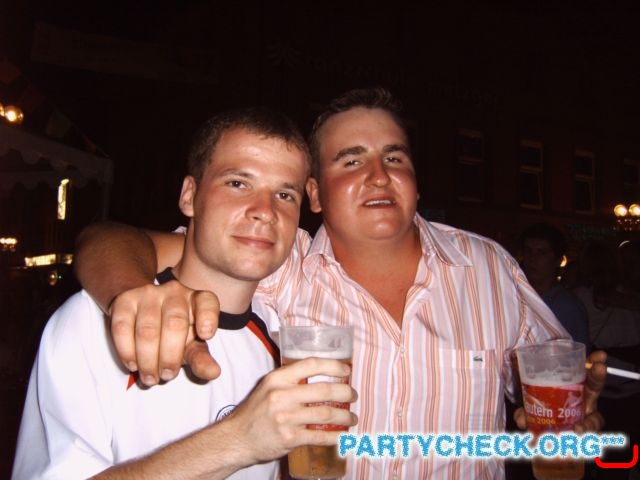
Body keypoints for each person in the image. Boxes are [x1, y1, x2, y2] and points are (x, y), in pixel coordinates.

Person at [74, 87, 606, 479]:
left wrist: (580, 415)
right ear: (314, 194)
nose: (379, 175)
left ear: (415, 181)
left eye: (394, 157)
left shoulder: (489, 267)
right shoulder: (282, 264)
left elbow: (556, 384)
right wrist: (131, 296)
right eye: (352, 160)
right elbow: (111, 240)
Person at [12, 107, 358, 480]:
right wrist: (238, 441)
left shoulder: (278, 337)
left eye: (284, 194)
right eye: (238, 183)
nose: (265, 211)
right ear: (190, 196)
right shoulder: (97, 320)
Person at [519, 222, 590, 347]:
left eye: (541, 253)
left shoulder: (567, 307)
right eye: (528, 251)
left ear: (558, 260)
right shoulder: (517, 297)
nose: (532, 259)